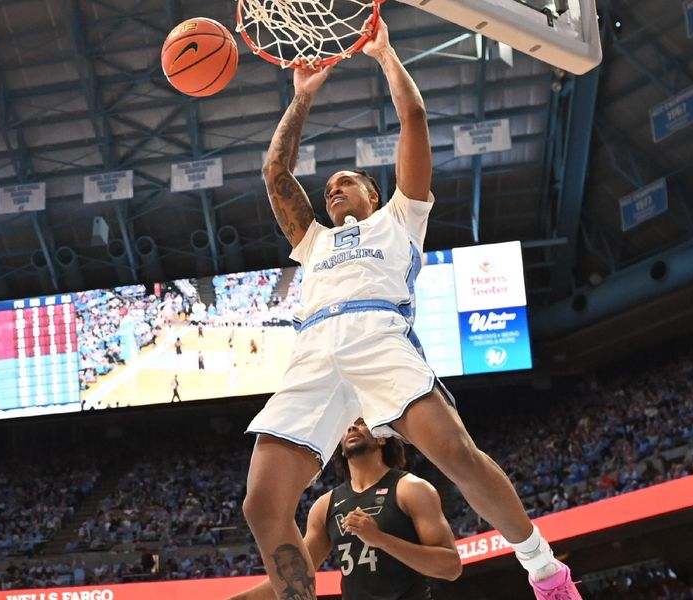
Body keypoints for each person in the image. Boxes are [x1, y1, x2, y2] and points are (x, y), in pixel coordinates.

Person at [245, 16, 581, 600]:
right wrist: (299, 98)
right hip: (314, 349)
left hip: (379, 335)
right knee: (261, 504)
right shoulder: (313, 241)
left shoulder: (402, 217)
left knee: (455, 453)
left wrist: (383, 54)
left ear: (374, 195)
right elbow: (275, 172)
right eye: (328, 189)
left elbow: (415, 120)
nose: (332, 190)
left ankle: (543, 568)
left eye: (346, 183)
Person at [230, 419, 461, 600]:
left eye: (361, 421)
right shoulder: (324, 505)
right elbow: (295, 576)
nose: (351, 426)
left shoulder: (411, 488)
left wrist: (380, 539)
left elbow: (450, 567)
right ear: (339, 447)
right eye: (346, 425)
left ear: (381, 438)